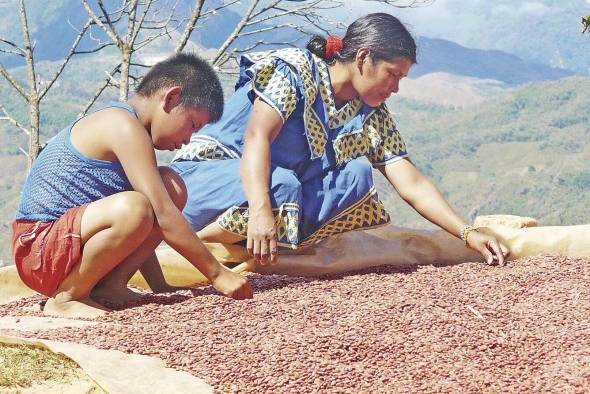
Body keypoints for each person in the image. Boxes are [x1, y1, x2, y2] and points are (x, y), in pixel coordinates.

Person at [170, 13, 509, 267]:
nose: (396, 87)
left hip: (272, 192)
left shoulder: (371, 114)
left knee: (357, 176)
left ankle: (254, 242)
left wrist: (466, 233)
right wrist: (260, 211)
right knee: (284, 183)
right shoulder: (294, 70)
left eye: (401, 78)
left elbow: (411, 181)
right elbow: (257, 137)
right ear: (363, 58)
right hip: (206, 181)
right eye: (392, 74)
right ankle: (201, 243)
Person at [12, 53, 253, 318]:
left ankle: (112, 286)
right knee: (136, 206)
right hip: (38, 250)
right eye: (191, 125)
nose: (187, 139)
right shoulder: (122, 126)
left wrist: (158, 286)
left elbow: (147, 223)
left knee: (170, 186)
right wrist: (218, 273)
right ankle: (67, 297)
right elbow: (159, 214)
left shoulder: (133, 130)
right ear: (171, 98)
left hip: (66, 245)